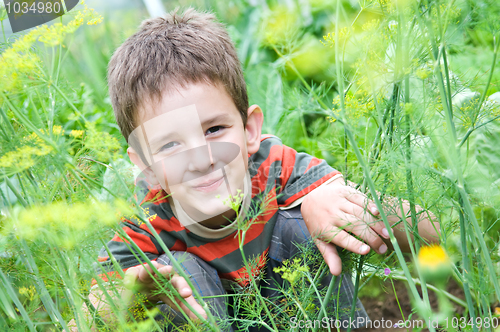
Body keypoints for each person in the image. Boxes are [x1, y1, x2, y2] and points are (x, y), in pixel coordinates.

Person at [82, 8, 440, 331]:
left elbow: (432, 230)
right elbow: (83, 320)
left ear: (250, 130)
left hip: (302, 318)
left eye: (214, 130)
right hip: (208, 317)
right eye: (171, 145)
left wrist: (334, 204)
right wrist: (130, 297)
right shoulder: (145, 219)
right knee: (173, 272)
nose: (202, 159)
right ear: (145, 165)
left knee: (302, 222)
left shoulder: (271, 165)